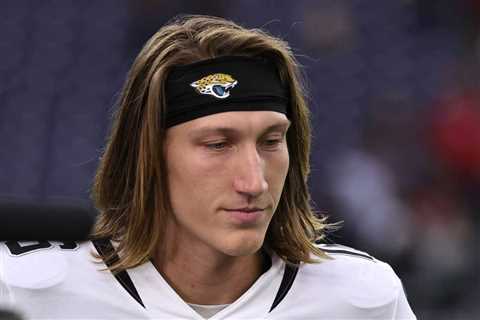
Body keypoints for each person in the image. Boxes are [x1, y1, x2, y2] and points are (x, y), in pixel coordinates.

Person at [0, 15, 416, 319]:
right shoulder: (25, 288)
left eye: (271, 141)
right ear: (149, 157)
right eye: (218, 144)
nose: (254, 181)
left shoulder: (364, 298)